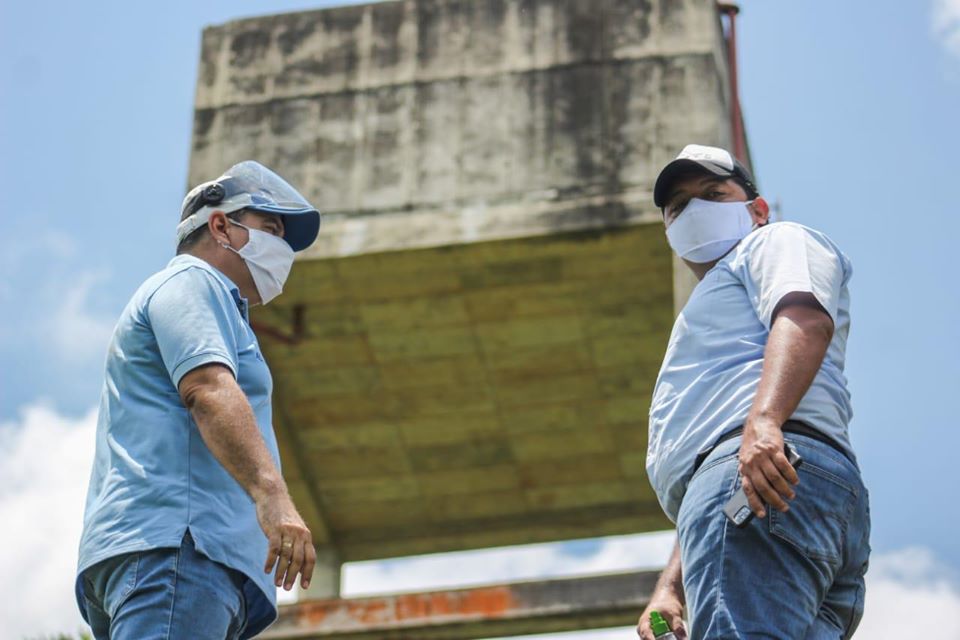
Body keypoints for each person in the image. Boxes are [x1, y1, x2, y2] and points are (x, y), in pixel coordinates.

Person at [75, 161, 322, 639]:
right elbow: (207, 390)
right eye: (270, 229)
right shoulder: (193, 283)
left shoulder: (224, 310)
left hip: (184, 559)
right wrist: (273, 498)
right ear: (220, 225)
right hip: (179, 551)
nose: (281, 249)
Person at [635, 145, 870, 639]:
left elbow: (804, 318)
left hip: (767, 475)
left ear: (756, 210)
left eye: (713, 194)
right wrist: (671, 587)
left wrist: (763, 421)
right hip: (756, 487)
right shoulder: (717, 297)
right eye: (678, 206)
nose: (695, 210)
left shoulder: (774, 242)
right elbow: (717, 468)